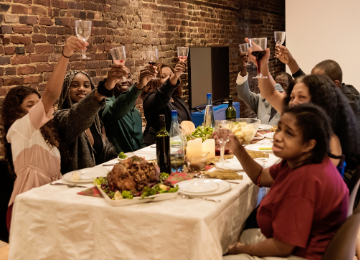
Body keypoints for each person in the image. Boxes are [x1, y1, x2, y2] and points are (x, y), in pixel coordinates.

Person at [222, 104, 349, 260]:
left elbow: (282, 247)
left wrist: (239, 250)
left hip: (303, 255)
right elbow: (260, 176)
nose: (278, 136)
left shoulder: (305, 179)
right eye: (279, 128)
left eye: (289, 133)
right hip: (297, 245)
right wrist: (237, 148)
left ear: (309, 144)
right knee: (227, 237)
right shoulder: (302, 161)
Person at [245, 38, 360, 183]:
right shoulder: (306, 113)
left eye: (301, 96)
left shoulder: (327, 129)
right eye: (292, 96)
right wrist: (262, 64)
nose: (293, 101)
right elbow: (270, 93)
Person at [1, 36, 86, 231]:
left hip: (49, 202)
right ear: (16, 111)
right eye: (30, 105)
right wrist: (66, 55)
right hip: (28, 207)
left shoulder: (43, 135)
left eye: (36, 104)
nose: (37, 108)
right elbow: (50, 95)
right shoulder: (19, 129)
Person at [54, 68, 124, 174]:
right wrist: (103, 89)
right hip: (74, 182)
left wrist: (118, 163)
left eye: (86, 85)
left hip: (97, 178)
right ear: (66, 89)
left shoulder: (95, 119)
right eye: (75, 85)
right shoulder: (60, 118)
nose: (81, 89)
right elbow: (78, 116)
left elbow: (105, 148)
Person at [275, 45, 360, 125]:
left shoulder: (349, 103)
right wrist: (290, 61)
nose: (313, 87)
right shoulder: (333, 92)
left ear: (335, 84)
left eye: (318, 82)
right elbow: (305, 81)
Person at [99, 65, 156, 153]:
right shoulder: (104, 104)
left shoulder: (136, 112)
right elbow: (115, 111)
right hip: (114, 162)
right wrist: (139, 85)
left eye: (128, 76)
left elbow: (140, 143)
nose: (125, 80)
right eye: (119, 77)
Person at [236, 53, 293, 125]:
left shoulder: (292, 105)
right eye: (277, 85)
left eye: (283, 85)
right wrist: (244, 69)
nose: (279, 88)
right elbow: (243, 94)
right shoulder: (261, 99)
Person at [141, 62, 190, 145]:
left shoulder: (177, 98)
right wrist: (174, 76)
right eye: (163, 76)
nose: (169, 78)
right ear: (154, 81)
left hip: (179, 145)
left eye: (171, 75)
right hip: (157, 146)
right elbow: (162, 94)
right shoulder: (151, 99)